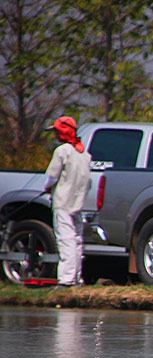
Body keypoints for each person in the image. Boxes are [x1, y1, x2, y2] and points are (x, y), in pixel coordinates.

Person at [43, 115, 91, 288]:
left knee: (66, 239)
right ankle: (77, 278)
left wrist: (47, 187)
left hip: (62, 202)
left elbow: (51, 177)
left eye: (56, 131)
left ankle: (66, 280)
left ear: (61, 133)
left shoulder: (62, 151)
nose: (54, 135)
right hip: (78, 204)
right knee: (77, 240)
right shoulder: (84, 154)